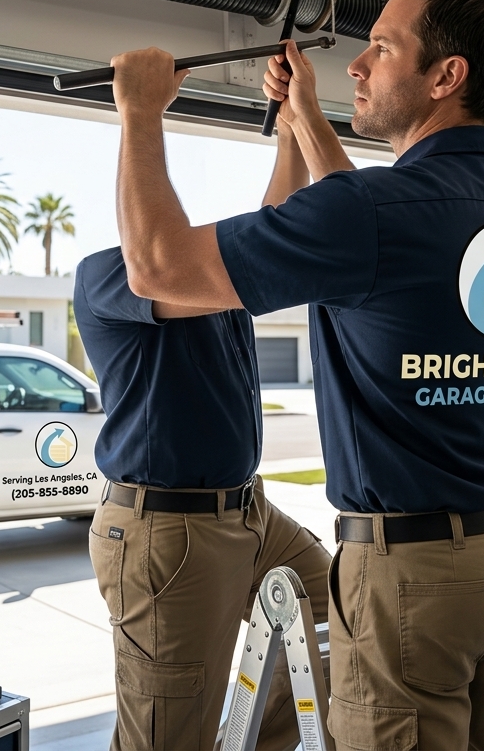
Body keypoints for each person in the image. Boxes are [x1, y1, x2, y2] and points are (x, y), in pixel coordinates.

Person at [106, 0, 484, 750]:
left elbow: (154, 267)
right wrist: (304, 119)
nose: (356, 62)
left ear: (444, 76)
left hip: (416, 579)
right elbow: (374, 233)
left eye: (382, 49)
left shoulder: (373, 212)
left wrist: (140, 113)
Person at [75, 244, 331, 746]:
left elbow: (273, 242)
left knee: (338, 620)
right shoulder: (110, 273)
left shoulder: (219, 282)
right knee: (168, 736)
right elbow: (159, 271)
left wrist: (290, 158)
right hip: (169, 532)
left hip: (251, 512)